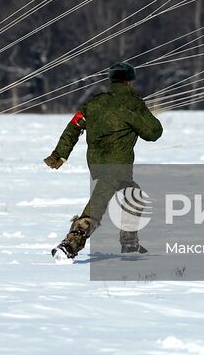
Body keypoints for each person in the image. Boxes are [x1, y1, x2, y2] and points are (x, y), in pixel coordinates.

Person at [44, 62, 162, 260]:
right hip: (116, 166)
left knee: (135, 196)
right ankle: (69, 245)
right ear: (129, 81)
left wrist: (60, 154)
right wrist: (140, 113)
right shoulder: (133, 103)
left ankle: (129, 245)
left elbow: (73, 127)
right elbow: (153, 133)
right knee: (98, 205)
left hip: (98, 164)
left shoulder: (94, 103)